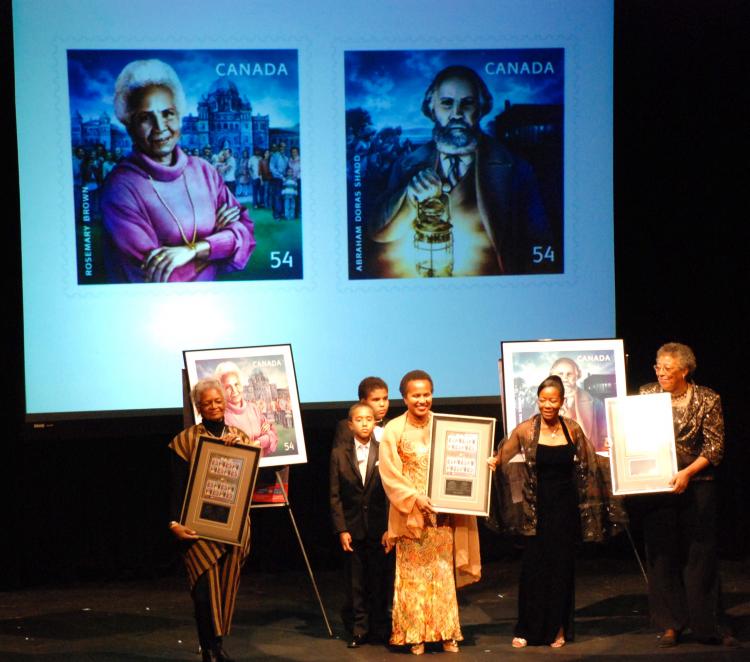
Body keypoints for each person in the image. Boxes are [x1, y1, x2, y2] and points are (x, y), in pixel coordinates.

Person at [370, 65, 551, 276]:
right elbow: (377, 232)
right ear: (432, 108)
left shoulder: (517, 168)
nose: (457, 113)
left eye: (467, 103)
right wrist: (409, 200)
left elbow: (541, 243)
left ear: (481, 108)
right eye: (447, 103)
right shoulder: (406, 165)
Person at [489, 375, 623, 649]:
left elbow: (591, 461)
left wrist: (614, 453)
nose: (547, 405)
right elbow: (502, 456)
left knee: (561, 570)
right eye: (542, 399)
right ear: (537, 400)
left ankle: (558, 628)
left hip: (565, 511)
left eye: (553, 400)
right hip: (535, 510)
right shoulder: (526, 429)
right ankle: (527, 629)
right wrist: (493, 460)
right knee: (533, 570)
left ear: (562, 402)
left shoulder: (572, 428)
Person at [101, 59, 255, 282]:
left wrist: (190, 251)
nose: (160, 127)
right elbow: (158, 272)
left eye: (168, 113)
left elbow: (246, 236)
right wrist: (217, 243)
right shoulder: (121, 188)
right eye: (146, 118)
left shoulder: (205, 171)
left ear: (179, 116)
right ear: (129, 126)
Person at [636, 342, 736, 648]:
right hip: (658, 484)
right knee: (662, 555)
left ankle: (706, 624)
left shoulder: (707, 398)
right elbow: (634, 434)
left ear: (685, 370)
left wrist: (687, 474)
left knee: (699, 555)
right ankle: (671, 624)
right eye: (658, 366)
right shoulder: (647, 394)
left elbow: (715, 448)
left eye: (667, 368)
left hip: (698, 483)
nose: (661, 372)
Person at [379, 370, 481, 655]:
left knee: (441, 574)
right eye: (416, 395)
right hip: (410, 515)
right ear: (405, 397)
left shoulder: (446, 425)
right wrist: (413, 497)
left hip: (442, 515)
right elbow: (389, 472)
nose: (422, 400)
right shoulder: (394, 429)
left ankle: (447, 632)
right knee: (414, 578)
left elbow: (462, 461)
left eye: (426, 394)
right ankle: (415, 635)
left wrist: (480, 465)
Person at [168, 378, 258, 662]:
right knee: (204, 594)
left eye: (218, 401)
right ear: (199, 407)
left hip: (232, 529)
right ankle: (208, 649)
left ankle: (216, 647)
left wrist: (235, 449)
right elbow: (176, 486)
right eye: (207, 402)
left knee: (224, 591)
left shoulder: (240, 437)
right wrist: (174, 524)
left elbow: (248, 481)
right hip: (197, 530)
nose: (214, 406)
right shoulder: (185, 441)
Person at [329, 403, 392, 648]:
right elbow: (334, 495)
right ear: (350, 424)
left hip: (379, 528)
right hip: (353, 528)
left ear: (375, 423)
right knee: (356, 583)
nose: (365, 423)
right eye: (360, 419)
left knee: (379, 581)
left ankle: (380, 629)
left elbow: (389, 494)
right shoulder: (339, 454)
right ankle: (359, 630)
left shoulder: (384, 451)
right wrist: (342, 529)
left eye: (369, 419)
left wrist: (390, 527)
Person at [214, 361, 278, 457]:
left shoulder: (253, 408)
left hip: (262, 466)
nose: (234, 390)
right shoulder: (220, 416)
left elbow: (272, 435)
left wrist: (257, 442)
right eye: (228, 387)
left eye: (236, 384)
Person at [549, 357, 607, 452]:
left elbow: (605, 438)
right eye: (560, 374)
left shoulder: (596, 404)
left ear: (577, 375)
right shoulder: (542, 404)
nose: (564, 378)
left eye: (569, 374)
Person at [332, 376, 390, 447]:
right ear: (363, 402)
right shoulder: (347, 427)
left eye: (385, 398)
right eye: (376, 400)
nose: (382, 404)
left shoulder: (394, 425)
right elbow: (341, 456)